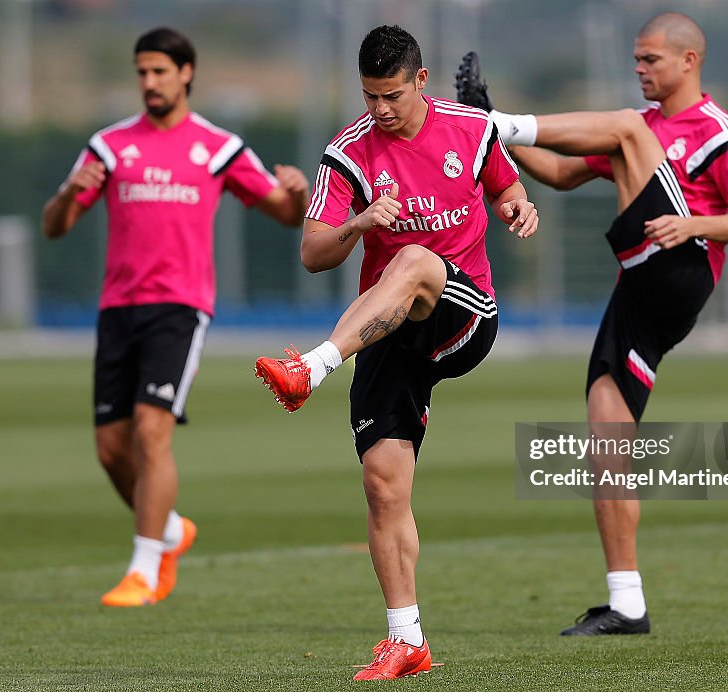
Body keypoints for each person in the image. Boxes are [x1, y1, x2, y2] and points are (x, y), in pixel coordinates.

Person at [455, 11, 728, 636]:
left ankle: (492, 120)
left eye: (650, 59)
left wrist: (695, 225)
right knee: (606, 437)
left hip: (681, 264)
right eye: (636, 58)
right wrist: (499, 143)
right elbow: (558, 173)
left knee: (625, 127)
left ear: (689, 61)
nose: (639, 68)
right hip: (641, 289)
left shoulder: (714, 130)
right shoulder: (635, 136)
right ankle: (627, 602)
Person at [253, 25, 537, 680]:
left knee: (412, 260)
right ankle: (406, 639)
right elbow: (314, 253)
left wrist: (520, 206)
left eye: (390, 95)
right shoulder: (349, 153)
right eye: (369, 96)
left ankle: (311, 367)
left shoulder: (470, 129)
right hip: (386, 332)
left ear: (421, 81)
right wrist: (357, 223)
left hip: (461, 316)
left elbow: (507, 187)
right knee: (383, 487)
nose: (379, 109)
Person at [41, 27, 309, 607]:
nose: (149, 82)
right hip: (118, 308)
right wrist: (68, 192)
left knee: (150, 430)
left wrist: (296, 191)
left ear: (186, 73)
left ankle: (144, 567)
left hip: (180, 308)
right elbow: (54, 226)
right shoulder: (110, 146)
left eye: (160, 71)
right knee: (111, 449)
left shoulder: (218, 147)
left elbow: (285, 214)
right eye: (141, 72)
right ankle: (169, 530)